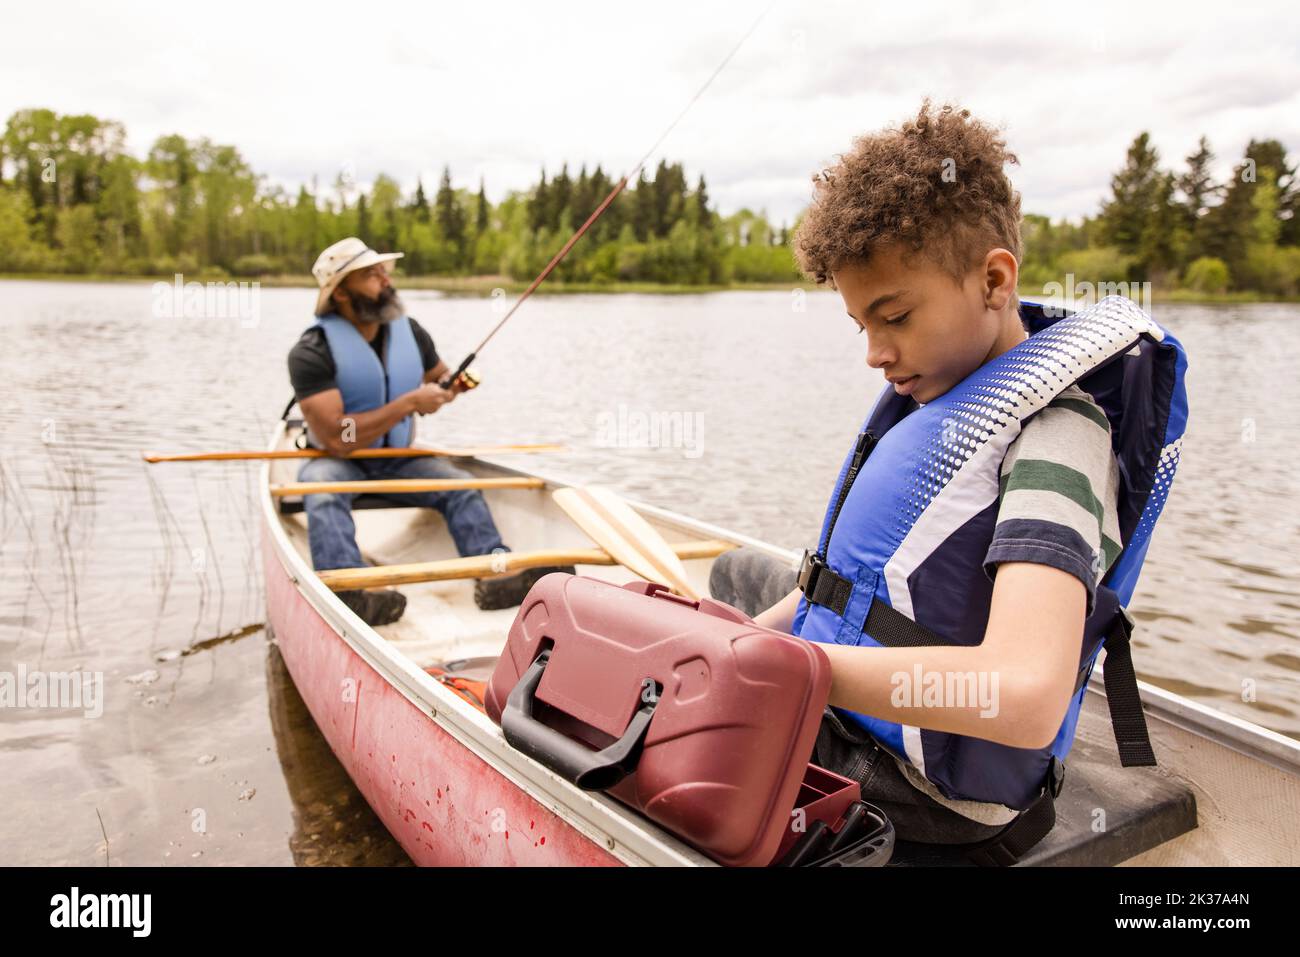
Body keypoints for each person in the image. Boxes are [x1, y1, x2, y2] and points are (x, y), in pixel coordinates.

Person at [710, 101, 1187, 863]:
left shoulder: (1060, 438)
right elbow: (843, 591)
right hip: (861, 722)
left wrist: (795, 668)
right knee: (732, 573)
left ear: (995, 279)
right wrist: (730, 641)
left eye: (893, 315)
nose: (873, 352)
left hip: (918, 793)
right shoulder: (939, 391)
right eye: (859, 324)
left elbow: (1026, 696)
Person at [287, 237, 571, 626]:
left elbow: (441, 377)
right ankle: (350, 589)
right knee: (319, 493)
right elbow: (339, 438)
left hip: (396, 460)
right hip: (338, 461)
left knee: (460, 486)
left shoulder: (410, 332)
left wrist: (454, 386)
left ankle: (495, 575)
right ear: (339, 293)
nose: (385, 281)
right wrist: (408, 403)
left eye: (384, 271)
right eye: (371, 275)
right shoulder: (311, 351)